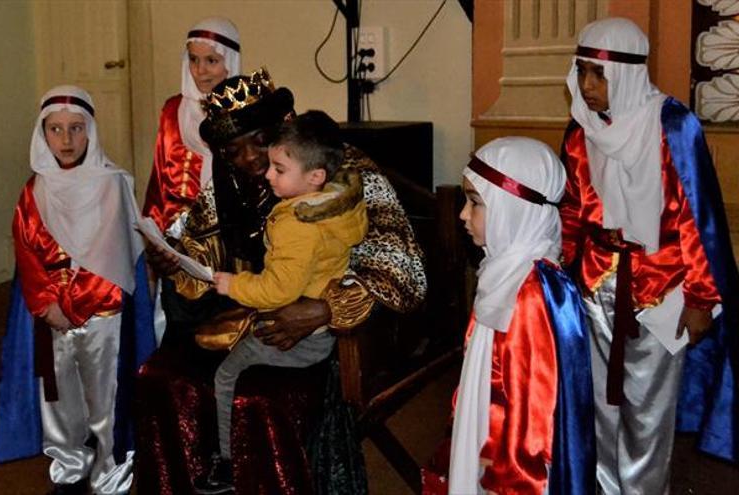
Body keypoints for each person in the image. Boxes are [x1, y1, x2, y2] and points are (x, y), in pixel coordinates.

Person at [135, 69, 426, 494]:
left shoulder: (340, 168)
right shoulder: (226, 184)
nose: (252, 160)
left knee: (257, 400)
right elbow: (197, 252)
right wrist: (175, 263)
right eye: (234, 151)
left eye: (260, 141)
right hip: (249, 310)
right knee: (160, 376)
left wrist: (328, 308)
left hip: (326, 331)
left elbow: (402, 265)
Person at [560, 17, 738, 494]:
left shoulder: (672, 126)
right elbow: (574, 210)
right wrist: (559, 268)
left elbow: (696, 217)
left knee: (647, 409)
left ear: (628, 74)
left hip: (660, 290)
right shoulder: (582, 131)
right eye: (581, 73)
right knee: (599, 402)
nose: (589, 86)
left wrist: (701, 296)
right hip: (597, 284)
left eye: (600, 74)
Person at [195, 110, 368, 493]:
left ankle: (225, 462)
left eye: (277, 168)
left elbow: (279, 291)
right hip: (317, 329)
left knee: (225, 373)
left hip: (304, 335)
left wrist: (232, 285)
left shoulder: (296, 222)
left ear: (313, 177)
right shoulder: (337, 202)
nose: (266, 174)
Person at [0, 85, 154, 495]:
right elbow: (27, 252)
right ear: (42, 133)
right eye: (56, 129)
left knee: (106, 400)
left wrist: (77, 305)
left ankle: (109, 475)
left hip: (103, 316)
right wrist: (48, 305)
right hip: (53, 318)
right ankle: (69, 467)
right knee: (60, 400)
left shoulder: (111, 184)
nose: (66, 140)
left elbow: (112, 253)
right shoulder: (34, 191)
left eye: (76, 129)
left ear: (91, 131)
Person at [445, 137, 595, 494]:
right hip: (488, 431)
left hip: (510, 462)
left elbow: (534, 405)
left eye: (475, 203)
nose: (463, 214)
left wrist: (509, 470)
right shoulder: (503, 270)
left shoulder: (531, 292)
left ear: (513, 207)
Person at [142, 16, 240, 347]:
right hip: (179, 232)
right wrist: (154, 234)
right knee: (180, 313)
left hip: (229, 233)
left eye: (211, 60)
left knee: (224, 314)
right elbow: (160, 173)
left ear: (230, 62)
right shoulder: (173, 109)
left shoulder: (244, 111)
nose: (201, 70)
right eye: (194, 60)